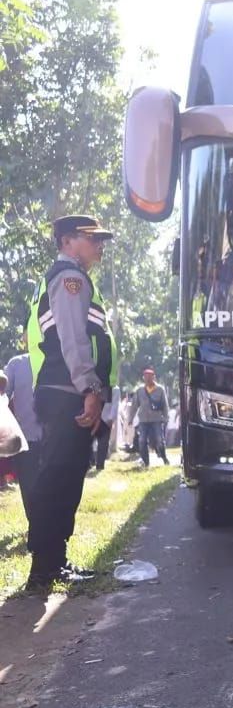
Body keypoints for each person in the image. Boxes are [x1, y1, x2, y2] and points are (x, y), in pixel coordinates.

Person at [24, 214, 117, 590]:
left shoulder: (69, 278)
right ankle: (45, 565)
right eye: (91, 239)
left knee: (63, 477)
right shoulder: (70, 279)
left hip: (65, 392)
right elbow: (74, 340)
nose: (99, 246)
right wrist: (90, 389)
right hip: (69, 393)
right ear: (67, 241)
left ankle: (52, 561)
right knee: (59, 478)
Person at [4, 348, 42, 525]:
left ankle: (44, 525)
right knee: (28, 484)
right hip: (26, 439)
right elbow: (3, 393)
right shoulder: (16, 364)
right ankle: (36, 524)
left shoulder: (62, 360)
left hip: (54, 439)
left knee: (49, 484)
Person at [127, 367, 170, 468]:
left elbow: (165, 404)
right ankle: (146, 462)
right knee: (142, 440)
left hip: (157, 419)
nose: (148, 379)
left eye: (150, 377)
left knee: (159, 439)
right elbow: (134, 406)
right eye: (146, 377)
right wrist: (130, 418)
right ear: (143, 378)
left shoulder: (160, 389)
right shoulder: (140, 390)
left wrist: (166, 417)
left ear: (154, 377)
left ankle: (164, 457)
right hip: (143, 420)